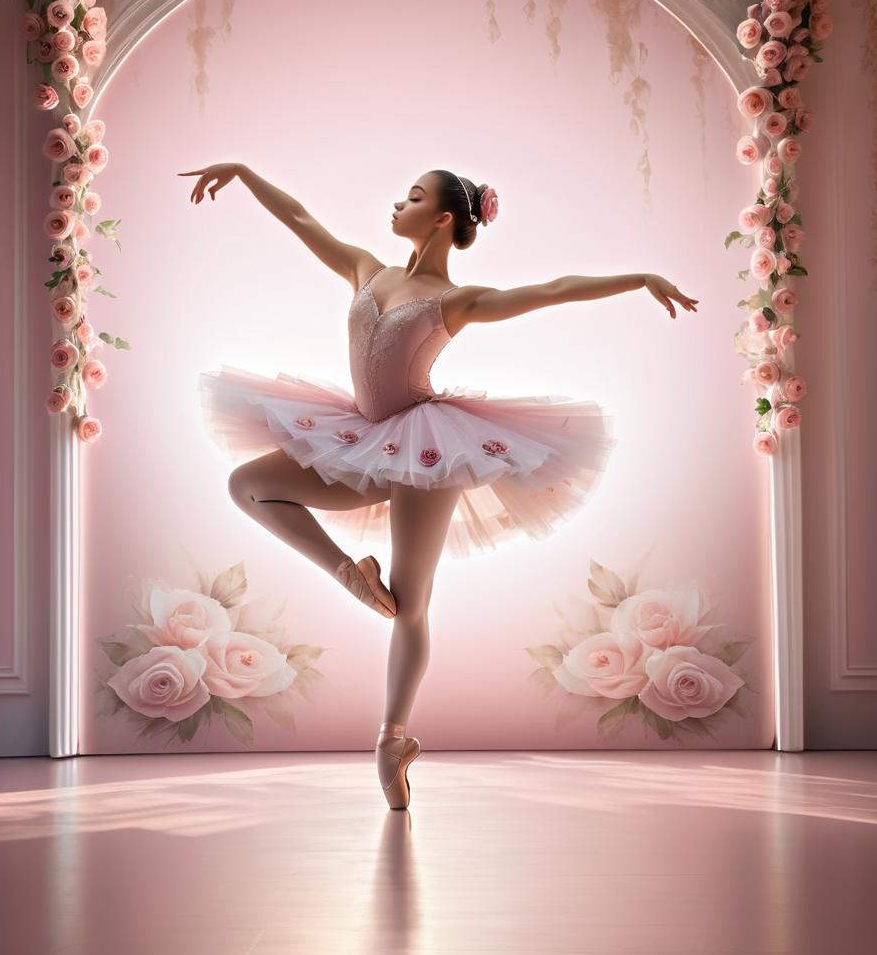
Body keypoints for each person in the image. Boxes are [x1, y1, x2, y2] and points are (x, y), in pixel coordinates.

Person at [179, 164, 698, 807]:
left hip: (427, 448)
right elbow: (301, 219)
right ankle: (347, 573)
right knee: (250, 484)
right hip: (358, 442)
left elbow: (553, 289)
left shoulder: (458, 301)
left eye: (415, 197)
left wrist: (639, 279)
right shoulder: (368, 270)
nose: (398, 202)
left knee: (412, 601)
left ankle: (392, 739)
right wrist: (244, 174)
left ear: (445, 219)